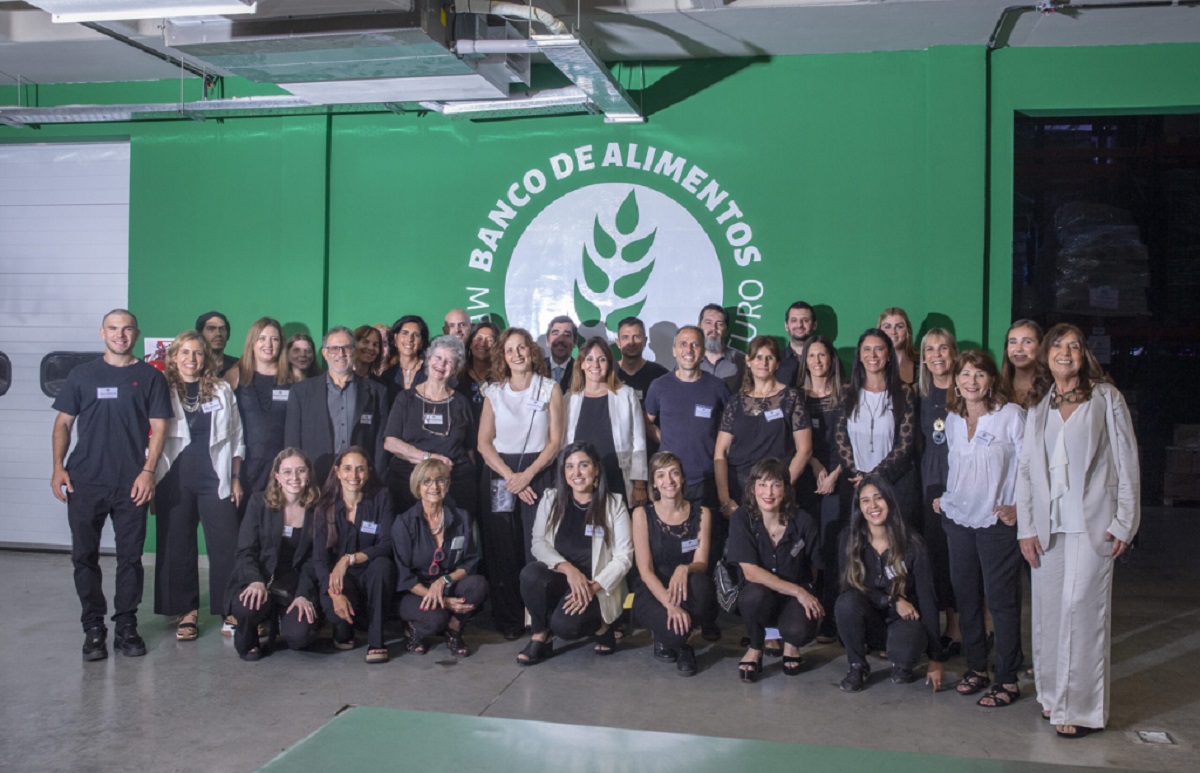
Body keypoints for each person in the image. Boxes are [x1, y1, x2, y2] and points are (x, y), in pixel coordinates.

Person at [1017, 323, 1140, 738]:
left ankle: (1082, 709)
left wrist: (1126, 520)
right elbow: (1027, 470)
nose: (1064, 352)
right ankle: (1052, 698)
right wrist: (1026, 528)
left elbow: (1127, 462)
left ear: (1084, 354)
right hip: (1048, 528)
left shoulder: (1106, 398)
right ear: (1046, 356)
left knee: (1081, 611)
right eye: (1057, 346)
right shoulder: (1039, 403)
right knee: (1049, 614)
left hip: (1096, 526)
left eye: (1073, 346)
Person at [51, 309, 171, 660]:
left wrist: (148, 472)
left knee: (130, 559)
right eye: (114, 328)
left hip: (131, 482)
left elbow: (160, 428)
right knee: (83, 557)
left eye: (127, 329)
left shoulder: (150, 376)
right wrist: (58, 467)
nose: (120, 335)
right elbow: (63, 424)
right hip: (84, 481)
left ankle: (127, 626)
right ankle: (93, 628)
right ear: (102, 332)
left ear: (136, 333)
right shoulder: (81, 375)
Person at [934, 350, 1025, 708]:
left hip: (996, 521)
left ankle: (1007, 677)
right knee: (966, 598)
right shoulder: (954, 418)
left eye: (979, 375)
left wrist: (1019, 507)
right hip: (958, 520)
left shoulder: (1010, 417)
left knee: (1002, 603)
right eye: (965, 374)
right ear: (956, 380)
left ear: (991, 380)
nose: (971, 381)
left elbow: (1030, 465)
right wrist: (947, 498)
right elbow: (958, 466)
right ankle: (976, 668)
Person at [153, 331, 245, 641]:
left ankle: (229, 607)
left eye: (198, 354)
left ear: (206, 358)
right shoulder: (161, 388)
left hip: (214, 476)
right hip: (173, 477)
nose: (192, 359)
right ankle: (186, 611)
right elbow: (149, 435)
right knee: (177, 544)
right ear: (174, 356)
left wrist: (234, 478)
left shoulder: (220, 389)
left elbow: (236, 436)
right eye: (186, 353)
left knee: (225, 544)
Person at [476, 327, 564, 639]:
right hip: (500, 474)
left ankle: (539, 619)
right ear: (503, 356)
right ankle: (510, 619)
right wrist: (510, 477)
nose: (517, 354)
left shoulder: (550, 388)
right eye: (510, 349)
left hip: (539, 472)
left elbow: (556, 442)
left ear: (532, 351)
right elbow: (484, 444)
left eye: (522, 347)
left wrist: (527, 475)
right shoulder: (493, 392)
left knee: (536, 546)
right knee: (503, 549)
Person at [516, 443, 633, 665]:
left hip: (596, 586)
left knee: (566, 627)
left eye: (583, 465)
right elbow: (538, 544)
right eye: (569, 467)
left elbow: (624, 557)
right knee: (531, 574)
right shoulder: (551, 499)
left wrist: (591, 587)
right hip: (562, 577)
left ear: (596, 469)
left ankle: (603, 627)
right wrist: (568, 570)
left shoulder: (613, 504)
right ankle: (541, 634)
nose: (576, 473)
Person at [836, 475, 945, 693]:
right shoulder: (849, 538)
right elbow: (849, 588)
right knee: (846, 603)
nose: (873, 506)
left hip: (904, 622)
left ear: (890, 501)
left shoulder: (913, 543)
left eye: (878, 498)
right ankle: (857, 665)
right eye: (865, 500)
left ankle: (902, 663)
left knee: (904, 662)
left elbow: (927, 598)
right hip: (870, 619)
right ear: (859, 507)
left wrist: (936, 659)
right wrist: (891, 600)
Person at [726, 458, 822, 682]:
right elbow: (750, 572)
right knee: (753, 595)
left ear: (786, 489)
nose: (768, 492)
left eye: (776, 485)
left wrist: (805, 593)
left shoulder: (804, 521)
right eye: (762, 484)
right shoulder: (742, 518)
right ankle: (755, 646)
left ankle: (791, 644)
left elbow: (815, 566)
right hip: (761, 595)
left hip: (792, 596)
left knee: (800, 628)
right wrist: (798, 591)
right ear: (752, 488)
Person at [227, 448, 321, 661]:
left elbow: (316, 559)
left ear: (309, 474)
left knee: (299, 638)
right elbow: (245, 551)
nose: (294, 478)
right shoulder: (258, 503)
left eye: (300, 471)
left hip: (295, 586)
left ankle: (281, 619)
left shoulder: (318, 508)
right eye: (287, 472)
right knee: (247, 605)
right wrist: (255, 581)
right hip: (262, 579)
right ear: (277, 476)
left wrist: (303, 594)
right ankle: (249, 632)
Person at [630, 452, 716, 676]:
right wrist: (671, 606)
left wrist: (684, 568)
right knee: (673, 633)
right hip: (653, 590)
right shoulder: (641, 514)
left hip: (687, 586)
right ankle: (671, 637)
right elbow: (645, 571)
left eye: (674, 473)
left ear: (683, 478)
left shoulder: (703, 513)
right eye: (661, 475)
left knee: (702, 584)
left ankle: (686, 643)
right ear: (654, 483)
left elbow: (701, 562)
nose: (668, 481)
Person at [392, 458, 489, 657]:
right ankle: (412, 630)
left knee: (478, 584)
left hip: (446, 582)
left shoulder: (461, 517)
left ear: (448, 484)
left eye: (440, 480)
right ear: (417, 487)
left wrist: (444, 581)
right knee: (436, 619)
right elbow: (404, 576)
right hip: (415, 590)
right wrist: (443, 600)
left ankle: (454, 630)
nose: (434, 486)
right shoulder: (404, 523)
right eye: (427, 481)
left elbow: (470, 561)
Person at [312, 447, 396, 663]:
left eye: (360, 469)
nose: (354, 476)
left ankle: (376, 641)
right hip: (340, 579)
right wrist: (333, 593)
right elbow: (320, 559)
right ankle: (344, 627)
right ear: (337, 472)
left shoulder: (382, 497)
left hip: (370, 572)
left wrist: (349, 558)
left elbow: (386, 544)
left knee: (382, 566)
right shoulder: (324, 507)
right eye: (347, 469)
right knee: (336, 615)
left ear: (368, 472)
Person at [714, 335, 812, 520]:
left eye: (770, 357)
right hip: (740, 491)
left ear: (777, 364)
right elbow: (720, 452)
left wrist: (780, 487)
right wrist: (725, 499)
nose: (763, 362)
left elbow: (804, 450)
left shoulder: (791, 398)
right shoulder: (736, 402)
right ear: (748, 361)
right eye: (758, 357)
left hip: (776, 493)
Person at [834, 328, 919, 528]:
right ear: (860, 356)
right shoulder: (847, 392)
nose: (872, 355)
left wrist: (875, 477)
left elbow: (905, 444)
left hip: (895, 484)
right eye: (867, 349)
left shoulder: (904, 392)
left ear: (888, 355)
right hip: (855, 484)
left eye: (879, 349)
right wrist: (860, 476)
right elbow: (840, 439)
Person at [284, 326, 390, 484]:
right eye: (334, 349)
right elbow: (292, 442)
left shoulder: (377, 392)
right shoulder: (301, 392)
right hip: (316, 480)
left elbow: (381, 445)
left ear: (354, 352)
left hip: (359, 481)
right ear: (325, 353)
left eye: (346, 348)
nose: (341, 354)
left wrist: (377, 481)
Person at [384, 334, 476, 514]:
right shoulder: (406, 398)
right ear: (428, 359)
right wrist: (429, 458)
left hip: (456, 484)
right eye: (438, 357)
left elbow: (470, 449)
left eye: (449, 361)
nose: (441, 365)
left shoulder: (461, 402)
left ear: (456, 368)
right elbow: (391, 442)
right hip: (410, 483)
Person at [644, 325, 731, 511]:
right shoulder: (659, 386)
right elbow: (646, 421)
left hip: (707, 479)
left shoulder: (718, 387)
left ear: (703, 351)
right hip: (669, 482)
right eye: (683, 344)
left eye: (695, 345)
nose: (689, 350)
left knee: (707, 536)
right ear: (674, 350)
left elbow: (734, 426)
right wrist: (664, 439)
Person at [796, 335, 844, 642]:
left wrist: (836, 473)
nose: (817, 361)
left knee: (832, 547)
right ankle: (803, 614)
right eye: (811, 356)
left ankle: (830, 618)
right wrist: (814, 466)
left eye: (822, 355)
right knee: (805, 546)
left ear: (831, 359)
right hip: (805, 475)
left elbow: (853, 441)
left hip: (839, 478)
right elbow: (793, 440)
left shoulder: (847, 395)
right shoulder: (795, 396)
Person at [917, 328, 960, 654]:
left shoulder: (967, 388)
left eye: (942, 348)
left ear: (953, 352)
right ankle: (950, 625)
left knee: (965, 555)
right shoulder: (922, 393)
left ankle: (969, 627)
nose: (937, 355)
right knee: (939, 557)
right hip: (930, 482)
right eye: (930, 350)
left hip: (963, 481)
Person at [566, 336, 648, 508]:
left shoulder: (626, 395)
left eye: (601, 359)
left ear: (610, 364)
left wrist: (639, 484)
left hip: (617, 477)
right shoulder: (569, 399)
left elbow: (639, 442)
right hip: (581, 483)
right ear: (581, 364)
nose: (595, 365)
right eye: (589, 359)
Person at [231, 318, 292, 507]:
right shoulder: (234, 375)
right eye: (262, 338)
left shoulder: (292, 378)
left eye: (274, 339)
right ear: (252, 342)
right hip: (244, 468)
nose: (268, 344)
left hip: (280, 469)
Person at [614, 316, 669, 405]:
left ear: (645, 340)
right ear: (618, 343)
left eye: (636, 337)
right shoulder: (607, 373)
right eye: (625, 337)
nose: (631, 343)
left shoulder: (660, 374)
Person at [456, 321, 499, 428]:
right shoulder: (457, 375)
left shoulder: (502, 377)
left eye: (489, 340)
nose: (483, 344)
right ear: (470, 344)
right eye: (478, 338)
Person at [380, 315, 429, 407]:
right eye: (405, 333)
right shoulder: (387, 376)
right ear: (395, 338)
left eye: (416, 335)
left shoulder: (431, 374)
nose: (410, 339)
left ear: (421, 343)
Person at [698, 303, 745, 394]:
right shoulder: (688, 359)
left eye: (719, 324)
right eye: (708, 322)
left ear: (726, 331)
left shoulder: (742, 360)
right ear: (699, 327)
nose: (713, 328)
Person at [1001, 319, 1047, 409]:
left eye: (1027, 342)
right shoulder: (997, 388)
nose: (1018, 349)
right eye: (1013, 342)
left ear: (1040, 346)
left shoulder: (1050, 389)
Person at [776, 301, 818, 388]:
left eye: (805, 320)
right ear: (786, 325)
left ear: (814, 325)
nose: (799, 325)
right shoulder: (775, 359)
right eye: (794, 320)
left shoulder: (828, 360)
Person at [878, 307, 918, 385]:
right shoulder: (872, 364)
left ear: (907, 331)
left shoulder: (922, 366)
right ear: (879, 331)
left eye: (899, 326)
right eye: (887, 327)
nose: (893, 332)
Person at [197, 310, 239, 378]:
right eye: (211, 328)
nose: (218, 334)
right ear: (200, 334)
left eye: (222, 329)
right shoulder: (193, 366)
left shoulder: (239, 366)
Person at [544, 315, 577, 392]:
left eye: (567, 335)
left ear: (575, 342)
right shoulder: (535, 369)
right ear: (547, 341)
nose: (561, 339)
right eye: (555, 333)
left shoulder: (582, 370)